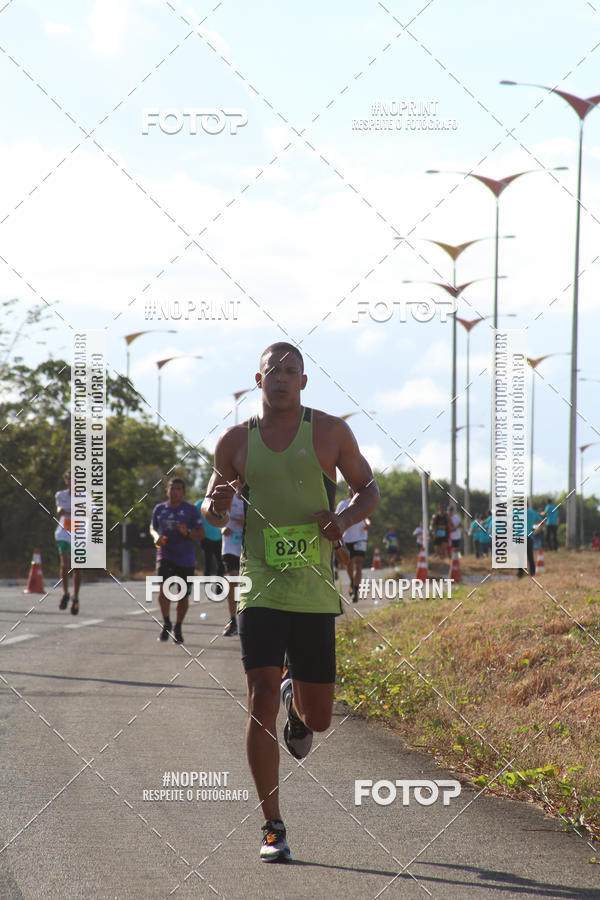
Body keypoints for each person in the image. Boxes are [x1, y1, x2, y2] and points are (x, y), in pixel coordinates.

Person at [202, 341, 379, 863]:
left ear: (304, 382)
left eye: (291, 371)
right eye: (271, 371)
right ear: (257, 382)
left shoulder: (330, 433)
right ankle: (272, 825)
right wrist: (216, 506)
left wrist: (343, 520)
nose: (281, 377)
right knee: (256, 696)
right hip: (259, 584)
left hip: (312, 590)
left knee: (320, 718)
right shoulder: (234, 441)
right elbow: (213, 509)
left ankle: (296, 709)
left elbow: (367, 489)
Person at [150, 477, 204, 644]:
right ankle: (166, 622)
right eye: (172, 488)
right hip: (165, 555)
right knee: (163, 589)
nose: (175, 492)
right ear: (167, 491)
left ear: (184, 492)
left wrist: (187, 532)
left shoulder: (191, 510)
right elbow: (153, 528)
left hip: (186, 558)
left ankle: (178, 627)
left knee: (182, 596)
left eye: (178, 489)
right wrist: (156, 537)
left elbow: (201, 533)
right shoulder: (160, 509)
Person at [336, 486, 370, 602]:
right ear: (348, 491)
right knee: (349, 564)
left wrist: (368, 524)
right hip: (347, 539)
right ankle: (352, 581)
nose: (353, 492)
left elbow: (368, 519)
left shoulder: (364, 503)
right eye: (352, 490)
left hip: (360, 538)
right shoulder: (343, 504)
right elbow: (337, 517)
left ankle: (356, 589)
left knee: (359, 564)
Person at [55, 470, 81, 614]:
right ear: (66, 481)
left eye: (75, 480)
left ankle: (75, 597)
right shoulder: (61, 495)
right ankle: (65, 593)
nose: (73, 482)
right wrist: (61, 511)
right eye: (70, 479)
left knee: (77, 568)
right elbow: (59, 508)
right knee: (65, 564)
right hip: (64, 533)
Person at [221, 490, 245, 637]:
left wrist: (248, 520)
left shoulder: (254, 497)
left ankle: (246, 619)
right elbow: (215, 516)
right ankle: (232, 620)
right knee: (233, 579)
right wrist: (222, 527)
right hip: (230, 547)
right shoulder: (228, 498)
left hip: (248, 547)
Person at [195, 502, 225, 577]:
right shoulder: (199, 504)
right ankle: (206, 586)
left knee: (221, 564)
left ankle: (219, 587)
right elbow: (192, 517)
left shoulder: (221, 503)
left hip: (219, 537)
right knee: (207, 563)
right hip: (205, 538)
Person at [517, 505, 543, 579]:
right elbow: (542, 522)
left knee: (520, 557)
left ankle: (520, 573)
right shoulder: (532, 512)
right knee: (530, 556)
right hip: (529, 537)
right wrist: (537, 531)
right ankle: (532, 573)